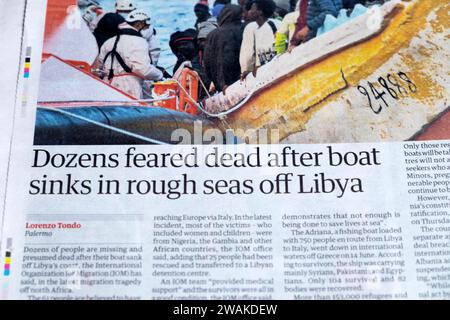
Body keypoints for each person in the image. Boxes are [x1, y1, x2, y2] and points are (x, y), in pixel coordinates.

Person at [97, 15, 163, 99]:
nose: (148, 30)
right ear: (139, 25)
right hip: (130, 87)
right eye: (147, 27)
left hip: (107, 86)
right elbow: (143, 69)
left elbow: (100, 68)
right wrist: (159, 75)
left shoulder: (108, 42)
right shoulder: (139, 41)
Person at [204, 4, 244, 93]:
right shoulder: (245, 29)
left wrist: (218, 83)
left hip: (223, 84)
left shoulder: (213, 35)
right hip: (244, 77)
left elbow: (207, 62)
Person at [239, 0, 279, 79]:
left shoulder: (251, 27)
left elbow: (247, 55)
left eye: (252, 9)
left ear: (260, 12)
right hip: (277, 66)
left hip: (264, 72)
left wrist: (246, 71)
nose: (249, 12)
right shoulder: (278, 22)